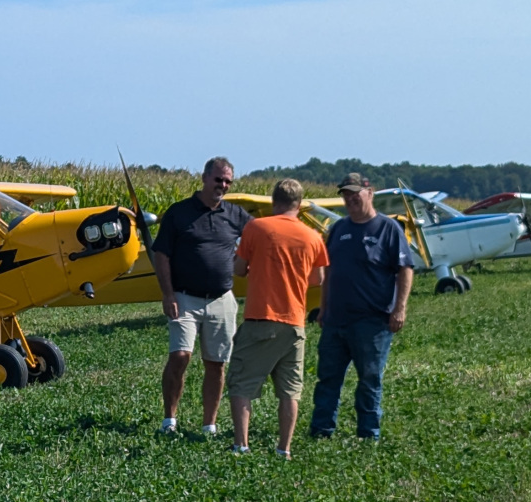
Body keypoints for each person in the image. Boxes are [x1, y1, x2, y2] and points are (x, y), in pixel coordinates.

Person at [309, 173, 415, 440]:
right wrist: (323, 307)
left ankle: (368, 434)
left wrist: (400, 308)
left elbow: (405, 269)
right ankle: (321, 430)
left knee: (369, 379)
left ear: (370, 193)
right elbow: (329, 272)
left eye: (355, 193)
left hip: (372, 322)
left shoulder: (388, 228)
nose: (350, 199)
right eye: (345, 194)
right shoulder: (339, 229)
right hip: (336, 320)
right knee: (327, 378)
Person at [228, 179, 328, 458]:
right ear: (299, 203)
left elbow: (239, 269)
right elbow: (318, 278)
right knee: (290, 391)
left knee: (241, 384)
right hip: (295, 322)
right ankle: (284, 448)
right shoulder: (313, 237)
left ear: (274, 201)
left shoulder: (256, 228)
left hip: (261, 318)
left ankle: (241, 445)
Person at [153, 157, 253, 435]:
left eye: (228, 181)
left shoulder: (236, 214)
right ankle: (169, 420)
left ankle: (209, 424)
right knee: (180, 356)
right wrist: (168, 294)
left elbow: (260, 236)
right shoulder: (179, 212)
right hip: (184, 297)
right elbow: (161, 254)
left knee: (216, 363)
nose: (223, 185)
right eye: (218, 179)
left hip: (222, 299)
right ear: (205, 178)